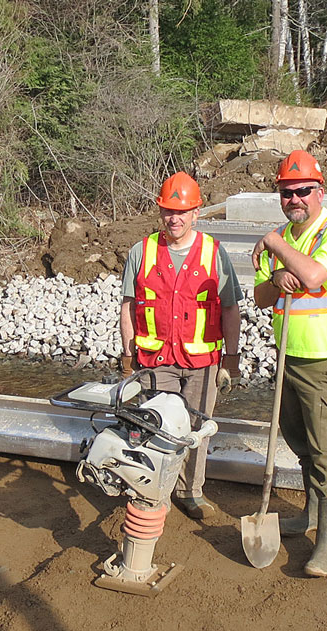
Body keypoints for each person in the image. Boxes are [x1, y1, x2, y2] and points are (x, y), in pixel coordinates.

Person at [250, 150, 327, 577]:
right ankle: (311, 514)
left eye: (301, 191)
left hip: (325, 359)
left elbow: (315, 277)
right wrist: (276, 278)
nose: (293, 199)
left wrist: (276, 247)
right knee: (299, 439)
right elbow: (260, 296)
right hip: (288, 358)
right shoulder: (284, 234)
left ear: (319, 191)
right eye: (286, 192)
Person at [120, 172, 242, 520]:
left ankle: (190, 492)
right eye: (168, 211)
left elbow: (231, 307)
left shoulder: (214, 253)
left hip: (202, 361)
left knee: (195, 430)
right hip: (156, 361)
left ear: (196, 213)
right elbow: (129, 305)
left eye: (182, 211)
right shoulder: (141, 252)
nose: (174, 218)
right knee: (155, 427)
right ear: (160, 212)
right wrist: (127, 355)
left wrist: (231, 358)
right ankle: (154, 492)